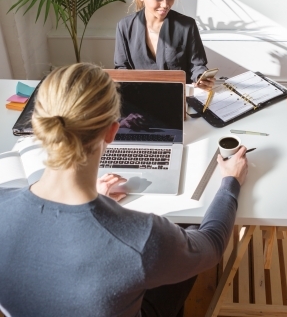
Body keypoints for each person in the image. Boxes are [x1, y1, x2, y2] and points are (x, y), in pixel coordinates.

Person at [0, 63, 248, 317]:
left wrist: (97, 198)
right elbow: (213, 245)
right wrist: (230, 182)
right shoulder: (142, 236)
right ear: (112, 132)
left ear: (38, 127)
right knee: (187, 231)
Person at [114, 0, 215, 89]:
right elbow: (121, 69)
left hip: (177, 101)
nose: (165, 4)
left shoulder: (186, 26)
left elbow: (197, 66)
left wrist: (201, 77)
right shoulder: (125, 27)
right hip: (138, 103)